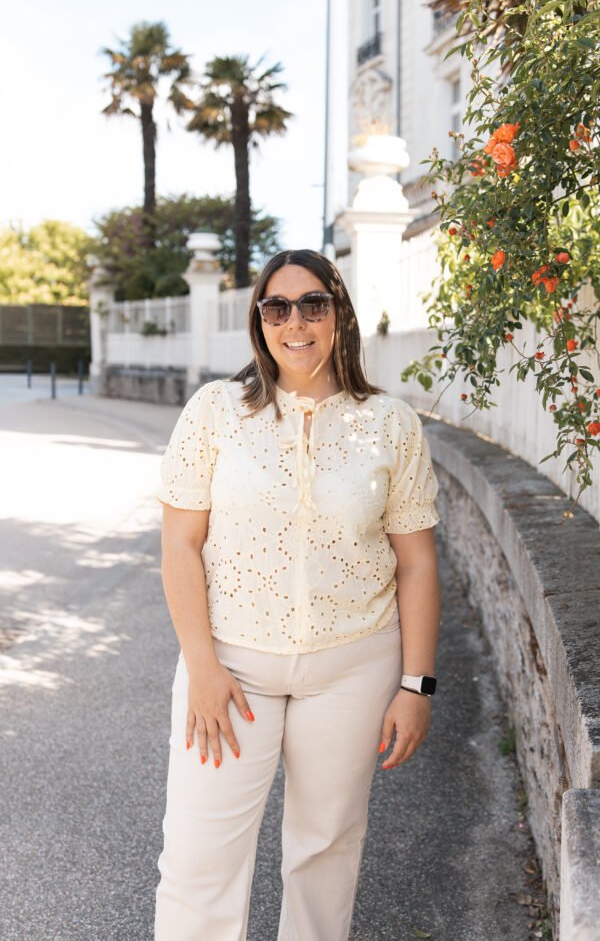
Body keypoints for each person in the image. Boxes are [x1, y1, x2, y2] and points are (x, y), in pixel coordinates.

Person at [154, 248, 441, 941]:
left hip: (352, 666)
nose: (296, 321)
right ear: (260, 320)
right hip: (231, 665)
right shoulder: (217, 411)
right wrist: (202, 665)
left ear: (338, 312)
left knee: (326, 851)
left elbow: (418, 562)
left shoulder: (391, 423)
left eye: (313, 303)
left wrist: (417, 685)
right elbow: (179, 545)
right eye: (277, 307)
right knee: (199, 860)